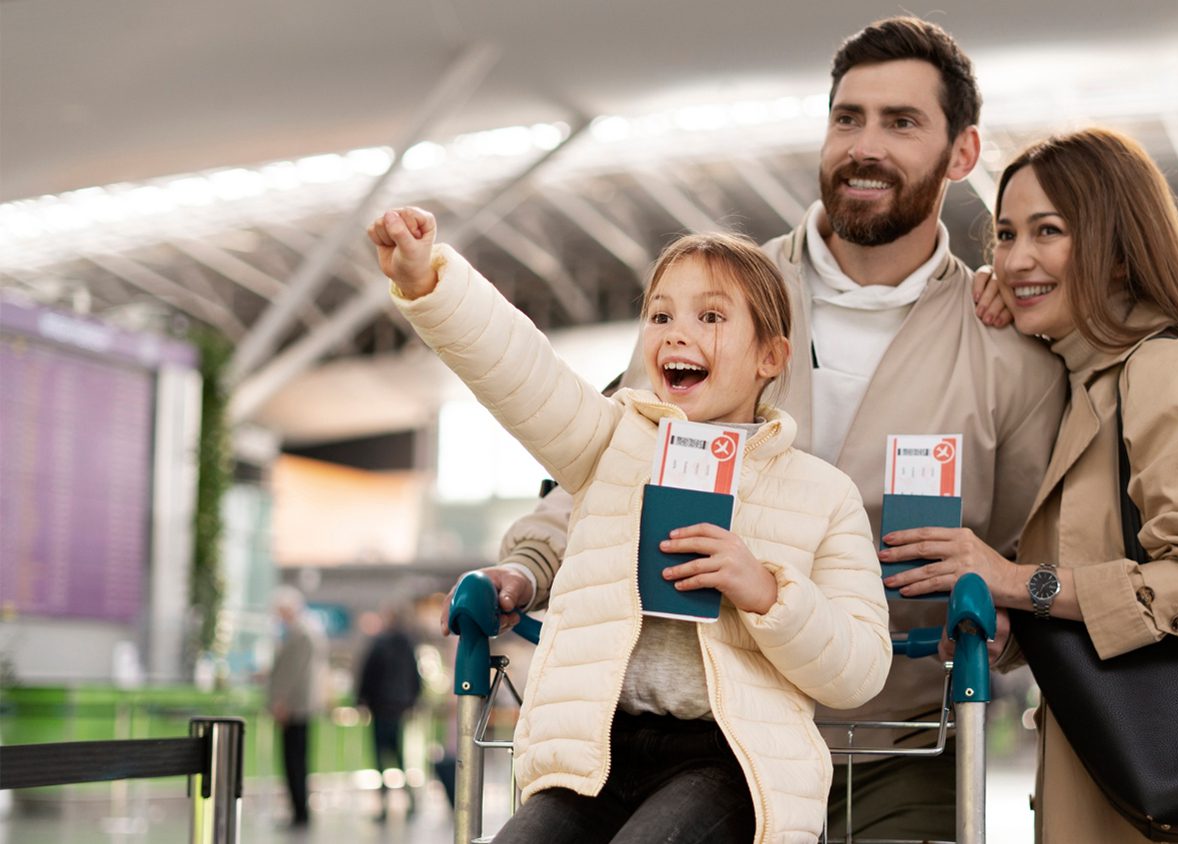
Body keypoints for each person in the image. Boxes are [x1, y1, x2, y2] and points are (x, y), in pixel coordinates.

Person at [442, 17, 1067, 839]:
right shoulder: (715, 299)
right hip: (706, 730)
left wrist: (1005, 618)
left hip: (898, 745)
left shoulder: (1006, 354)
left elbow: (1031, 553)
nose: (865, 146)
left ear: (962, 152)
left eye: (901, 122)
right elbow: (616, 458)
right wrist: (529, 566)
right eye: (848, 118)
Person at [370, 208, 893, 843]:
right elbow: (521, 371)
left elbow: (861, 669)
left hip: (731, 764)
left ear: (771, 356)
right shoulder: (612, 443)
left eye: (710, 317)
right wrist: (430, 281)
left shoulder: (822, 494)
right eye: (660, 315)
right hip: (596, 754)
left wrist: (765, 591)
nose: (677, 334)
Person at [882, 127, 1178, 842]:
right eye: (1005, 235)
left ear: (1119, 252)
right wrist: (1011, 630)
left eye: (1049, 231)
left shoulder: (1160, 370)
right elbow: (1094, 582)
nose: (1015, 258)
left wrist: (1015, 581)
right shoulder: (1081, 383)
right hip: (1131, 780)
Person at [266, 585, 327, 830]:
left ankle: (300, 812)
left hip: (296, 708)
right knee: (295, 761)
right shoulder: (305, 631)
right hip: (297, 707)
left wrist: (282, 701)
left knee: (295, 762)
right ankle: (298, 810)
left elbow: (294, 673)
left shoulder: (301, 633)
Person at [356, 601, 424, 821]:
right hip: (399, 707)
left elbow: (368, 674)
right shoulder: (407, 644)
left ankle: (384, 804)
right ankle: (410, 800)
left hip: (381, 706)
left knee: (380, 756)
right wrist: (412, 700)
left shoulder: (379, 643)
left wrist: (362, 699)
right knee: (399, 755)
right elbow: (415, 676)